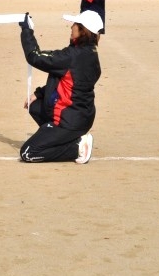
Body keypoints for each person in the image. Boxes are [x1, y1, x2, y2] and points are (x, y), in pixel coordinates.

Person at [18, 10, 102, 164]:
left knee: (28, 153)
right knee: (34, 105)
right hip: (81, 116)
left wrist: (27, 31)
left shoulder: (72, 56)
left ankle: (76, 147)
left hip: (69, 120)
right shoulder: (90, 54)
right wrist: (40, 93)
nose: (71, 27)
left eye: (75, 24)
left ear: (83, 30)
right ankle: (63, 137)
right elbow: (66, 82)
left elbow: (34, 56)